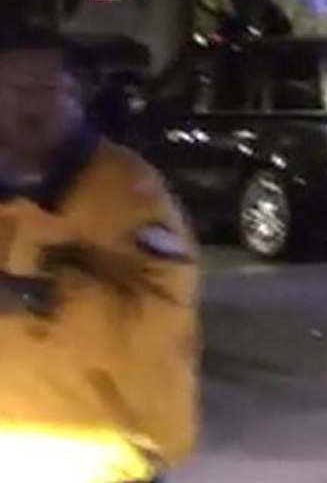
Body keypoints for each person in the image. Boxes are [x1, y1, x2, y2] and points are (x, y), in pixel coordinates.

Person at [0, 28, 199, 483]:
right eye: (13, 88)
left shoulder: (129, 192)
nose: (28, 105)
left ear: (80, 95)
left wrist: (37, 297)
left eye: (48, 89)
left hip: (101, 447)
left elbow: (156, 323)